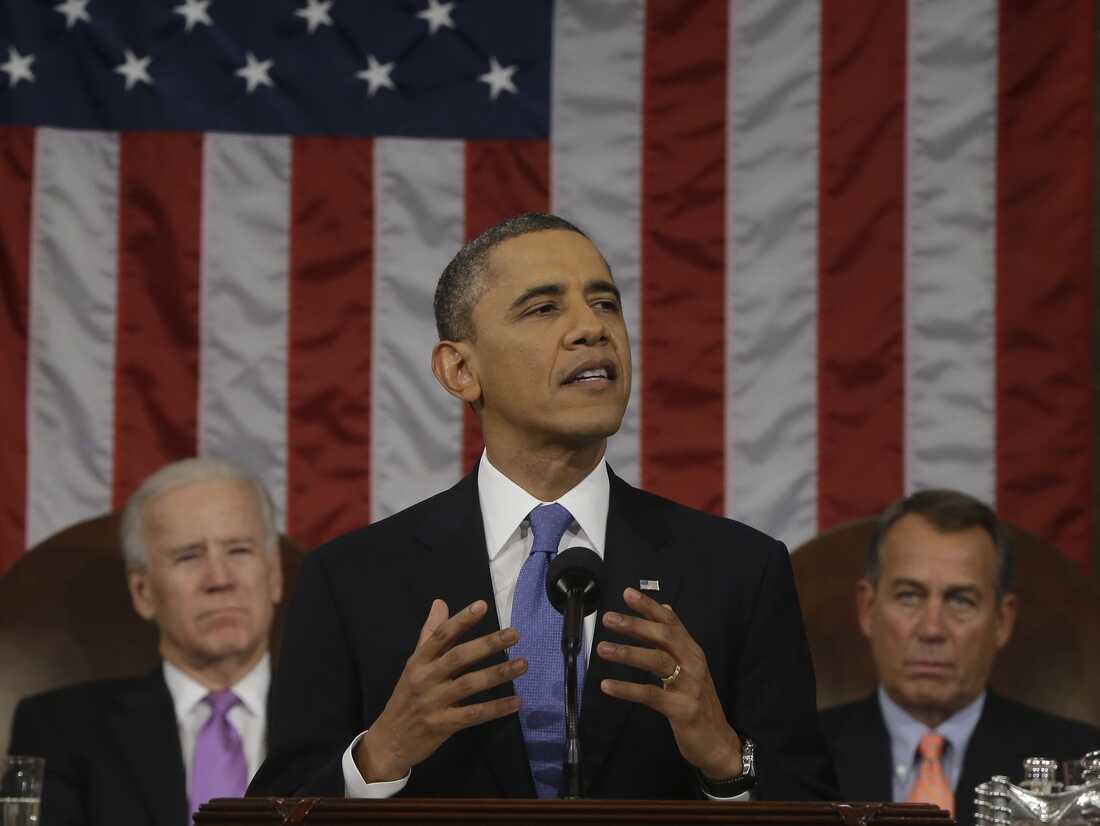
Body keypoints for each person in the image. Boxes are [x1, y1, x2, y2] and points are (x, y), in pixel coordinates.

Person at [249, 213, 835, 801]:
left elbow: (811, 799)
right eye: (544, 309)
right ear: (461, 369)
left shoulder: (740, 572)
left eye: (606, 303)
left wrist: (724, 756)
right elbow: (277, 809)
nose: (592, 328)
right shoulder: (349, 582)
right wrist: (380, 754)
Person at [8, 457, 284, 826]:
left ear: (274, 574)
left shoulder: (350, 725)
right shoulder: (57, 729)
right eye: (189, 556)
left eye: (239, 550)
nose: (219, 578)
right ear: (143, 592)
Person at [819, 489, 1100, 826]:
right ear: (868, 609)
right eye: (909, 596)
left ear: (1001, 621)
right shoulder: (797, 757)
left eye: (961, 600)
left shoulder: (1080, 766)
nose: (932, 629)